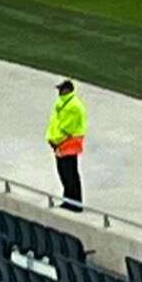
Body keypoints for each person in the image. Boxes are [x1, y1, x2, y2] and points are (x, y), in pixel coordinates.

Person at [46, 77, 88, 210]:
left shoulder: (73, 106)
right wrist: (51, 139)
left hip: (68, 144)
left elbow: (67, 128)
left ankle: (75, 204)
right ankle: (68, 200)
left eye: (61, 89)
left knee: (70, 174)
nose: (59, 92)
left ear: (68, 90)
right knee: (64, 174)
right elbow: (54, 122)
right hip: (60, 144)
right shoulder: (62, 103)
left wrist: (56, 141)